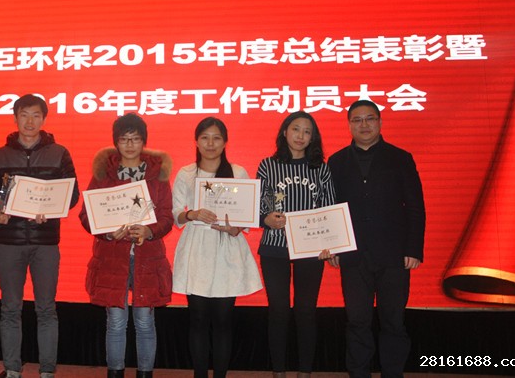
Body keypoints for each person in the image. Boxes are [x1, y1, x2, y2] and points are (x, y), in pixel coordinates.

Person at [0, 94, 80, 378]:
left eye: (36, 115)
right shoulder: (0, 155)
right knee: (10, 309)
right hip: (9, 242)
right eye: (24, 114)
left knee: (46, 309)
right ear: (15, 118)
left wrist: (52, 210)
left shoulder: (59, 153)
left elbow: (72, 194)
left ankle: (47, 370)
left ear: (44, 119)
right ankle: (12, 369)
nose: (30, 121)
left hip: (45, 242)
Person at [327, 100, 425, 378]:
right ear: (349, 125)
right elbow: (330, 208)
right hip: (353, 255)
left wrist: (414, 248)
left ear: (380, 122)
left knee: (393, 321)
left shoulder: (401, 158)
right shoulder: (336, 161)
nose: (364, 125)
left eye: (370, 118)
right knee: (357, 321)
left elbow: (415, 207)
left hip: (394, 254)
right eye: (357, 120)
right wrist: (333, 246)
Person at [79, 113, 173, 378]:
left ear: (144, 141)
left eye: (136, 139)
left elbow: (166, 216)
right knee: (116, 322)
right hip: (112, 257)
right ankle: (115, 372)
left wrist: (150, 231)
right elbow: (86, 215)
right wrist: (108, 233)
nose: (130, 145)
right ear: (116, 142)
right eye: (124, 139)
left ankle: (145, 373)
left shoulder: (157, 175)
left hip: (148, 257)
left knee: (144, 321)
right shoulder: (103, 174)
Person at [172, 117, 263, 378]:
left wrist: (237, 227)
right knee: (198, 319)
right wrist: (192, 214)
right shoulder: (186, 173)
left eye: (216, 138)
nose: (210, 143)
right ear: (196, 141)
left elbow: (247, 213)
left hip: (227, 249)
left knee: (223, 320)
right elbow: (175, 213)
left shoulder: (237, 172)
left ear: (225, 142)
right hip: (197, 248)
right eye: (205, 137)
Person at [256, 111, 336, 378]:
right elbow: (258, 205)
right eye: (295, 129)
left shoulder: (321, 168)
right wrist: (266, 218)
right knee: (278, 311)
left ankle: (305, 372)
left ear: (313, 137)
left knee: (305, 311)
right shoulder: (268, 165)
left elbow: (329, 207)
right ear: (284, 132)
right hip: (275, 247)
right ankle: (278, 371)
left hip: (310, 248)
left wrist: (329, 242)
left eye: (307, 131)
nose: (300, 136)